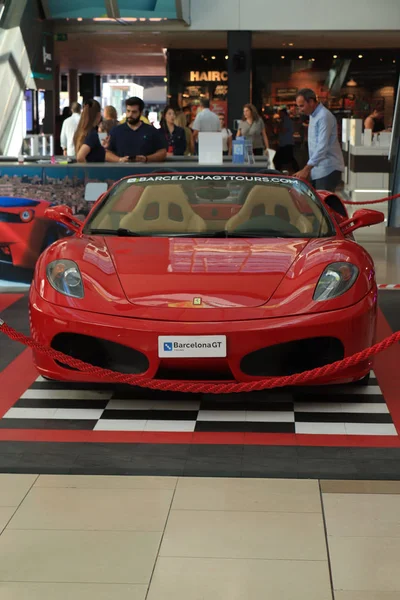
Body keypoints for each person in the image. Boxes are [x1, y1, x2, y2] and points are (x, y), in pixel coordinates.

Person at [294, 88, 344, 191]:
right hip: (318, 169)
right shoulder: (313, 115)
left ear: (311, 102)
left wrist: (306, 169)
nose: (300, 110)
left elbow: (322, 147)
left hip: (328, 168)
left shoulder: (324, 116)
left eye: (302, 106)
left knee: (323, 205)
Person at [106, 96, 167, 163]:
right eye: (128, 111)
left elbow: (162, 152)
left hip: (145, 171)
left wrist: (146, 159)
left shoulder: (152, 131)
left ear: (141, 113)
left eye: (134, 112)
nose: (130, 115)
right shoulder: (116, 131)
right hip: (121, 170)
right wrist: (120, 160)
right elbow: (107, 153)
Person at [274, 107, 299, 173]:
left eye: (280, 113)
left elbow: (283, 130)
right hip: (283, 143)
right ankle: (278, 171)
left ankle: (277, 172)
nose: (279, 115)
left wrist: (279, 125)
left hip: (287, 143)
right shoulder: (283, 120)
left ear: (283, 113)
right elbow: (277, 131)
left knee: (279, 159)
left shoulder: (287, 120)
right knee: (283, 159)